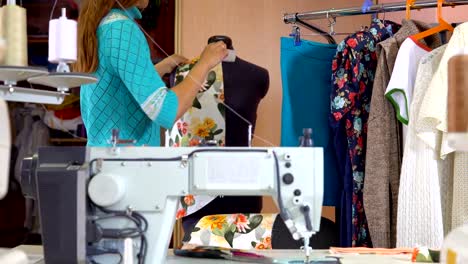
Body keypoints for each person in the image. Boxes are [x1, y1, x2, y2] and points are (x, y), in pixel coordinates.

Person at [75, 0, 228, 146]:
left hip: (104, 159)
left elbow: (119, 88)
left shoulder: (104, 26)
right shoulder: (122, 30)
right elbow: (166, 110)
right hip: (127, 163)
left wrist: (160, 68)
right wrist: (204, 63)